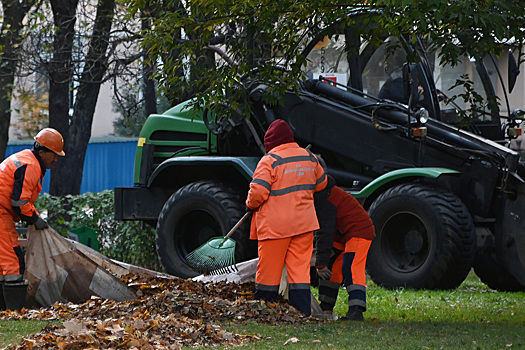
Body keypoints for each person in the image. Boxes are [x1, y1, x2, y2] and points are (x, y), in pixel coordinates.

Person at [246, 119, 327, 315]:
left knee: (269, 271)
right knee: (299, 272)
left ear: (270, 143)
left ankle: (265, 309)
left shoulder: (270, 160)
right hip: (304, 225)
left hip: (276, 227)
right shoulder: (309, 157)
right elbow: (322, 183)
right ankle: (301, 312)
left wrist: (249, 204)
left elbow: (258, 193)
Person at [0, 128, 65, 310]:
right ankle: (14, 311)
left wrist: (31, 215)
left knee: (3, 263)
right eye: (54, 154)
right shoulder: (31, 166)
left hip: (2, 212)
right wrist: (35, 219)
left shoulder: (27, 160)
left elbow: (19, 199)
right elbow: (18, 201)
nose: (56, 159)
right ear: (42, 152)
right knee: (13, 262)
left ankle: (5, 310)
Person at [313, 175, 375, 321]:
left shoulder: (325, 199)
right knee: (333, 268)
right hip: (342, 234)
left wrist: (320, 263)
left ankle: (356, 310)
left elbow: (324, 232)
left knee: (351, 267)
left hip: (358, 231)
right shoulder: (324, 193)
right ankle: (326, 307)